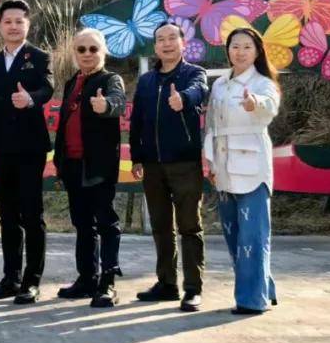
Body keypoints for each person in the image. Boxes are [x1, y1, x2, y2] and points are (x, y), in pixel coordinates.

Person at [0, 0, 55, 305]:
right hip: (0, 149)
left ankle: (31, 281)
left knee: (32, 215)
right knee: (7, 215)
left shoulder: (39, 57)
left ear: (27, 25)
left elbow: (47, 88)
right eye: (7, 21)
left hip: (29, 148)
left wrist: (31, 99)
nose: (13, 26)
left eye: (19, 21)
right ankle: (10, 278)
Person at [129, 22, 209, 312]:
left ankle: (193, 289)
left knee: (189, 226)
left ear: (183, 42)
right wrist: (137, 156)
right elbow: (137, 120)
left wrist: (183, 99)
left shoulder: (193, 73)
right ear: (155, 47)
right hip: (152, 165)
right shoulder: (147, 81)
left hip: (185, 163)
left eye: (172, 38)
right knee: (161, 226)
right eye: (160, 39)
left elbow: (199, 91)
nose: (166, 43)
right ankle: (166, 284)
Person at [204, 27, 281, 315]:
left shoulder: (263, 83)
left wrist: (254, 103)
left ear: (257, 51)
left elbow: (269, 107)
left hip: (252, 168)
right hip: (223, 166)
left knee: (253, 236)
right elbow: (211, 125)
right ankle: (263, 288)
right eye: (235, 46)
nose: (240, 52)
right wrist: (209, 160)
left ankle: (252, 300)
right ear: (228, 50)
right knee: (233, 235)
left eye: (247, 46)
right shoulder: (220, 84)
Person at [53, 29, 127, 307]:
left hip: (98, 166)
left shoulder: (110, 80)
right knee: (83, 225)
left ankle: (108, 283)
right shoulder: (72, 82)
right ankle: (87, 279)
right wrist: (59, 162)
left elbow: (119, 102)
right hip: (73, 166)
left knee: (106, 223)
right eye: (81, 49)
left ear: (103, 51)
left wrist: (105, 105)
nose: (87, 54)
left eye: (93, 49)